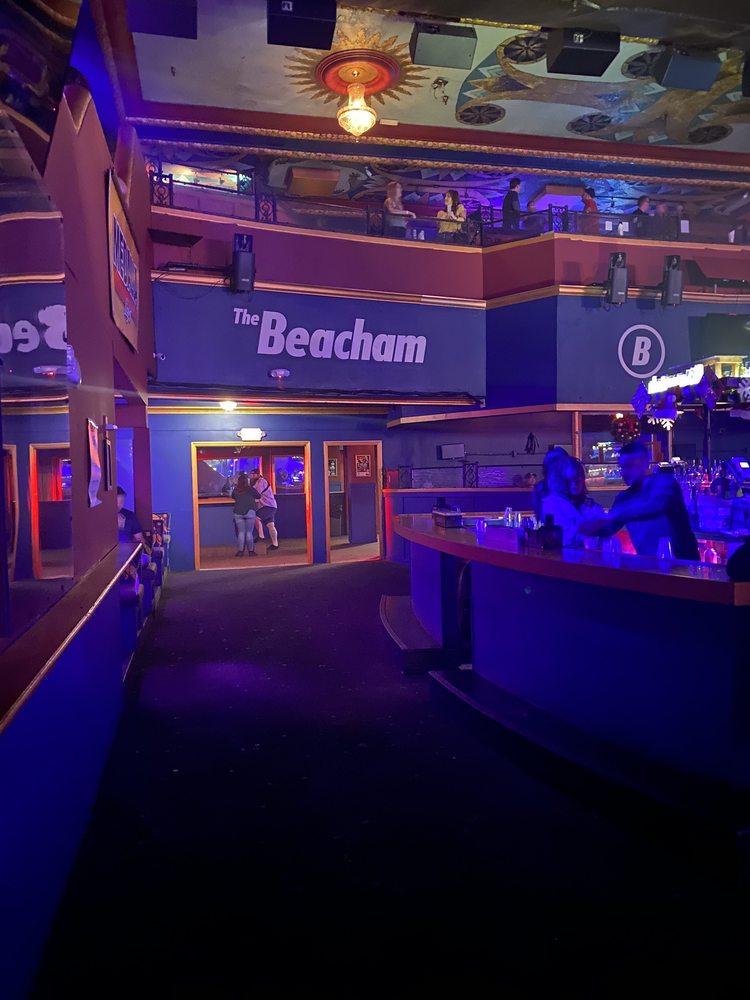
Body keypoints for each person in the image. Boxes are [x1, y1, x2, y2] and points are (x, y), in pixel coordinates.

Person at [582, 440, 699, 560]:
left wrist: (611, 516)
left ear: (644, 463)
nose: (624, 472)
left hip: (683, 565)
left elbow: (653, 506)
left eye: (629, 466)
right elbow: (608, 528)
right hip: (648, 566)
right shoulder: (624, 497)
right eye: (622, 467)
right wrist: (585, 525)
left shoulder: (665, 482)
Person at [541, 455, 605, 547]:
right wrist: (583, 529)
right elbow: (559, 538)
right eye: (568, 481)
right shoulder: (551, 503)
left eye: (577, 480)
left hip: (591, 555)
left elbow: (604, 537)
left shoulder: (593, 507)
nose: (573, 485)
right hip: (562, 555)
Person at [532, 446, 568, 519]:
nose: (556, 465)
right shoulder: (540, 488)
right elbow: (539, 515)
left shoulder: (571, 485)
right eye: (553, 462)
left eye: (560, 462)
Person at [249, 467, 279, 551]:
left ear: (258, 475)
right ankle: (275, 544)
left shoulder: (261, 481)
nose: (252, 476)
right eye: (251, 474)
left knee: (256, 518)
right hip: (270, 506)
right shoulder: (256, 482)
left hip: (268, 506)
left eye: (253, 474)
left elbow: (257, 494)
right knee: (270, 525)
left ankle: (261, 536)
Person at [231, 472, 257, 557]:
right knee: (249, 532)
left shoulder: (236, 489)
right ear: (247, 481)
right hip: (250, 511)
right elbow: (259, 496)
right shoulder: (251, 489)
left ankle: (240, 552)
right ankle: (251, 551)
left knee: (241, 532)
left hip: (238, 512)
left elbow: (233, 496)